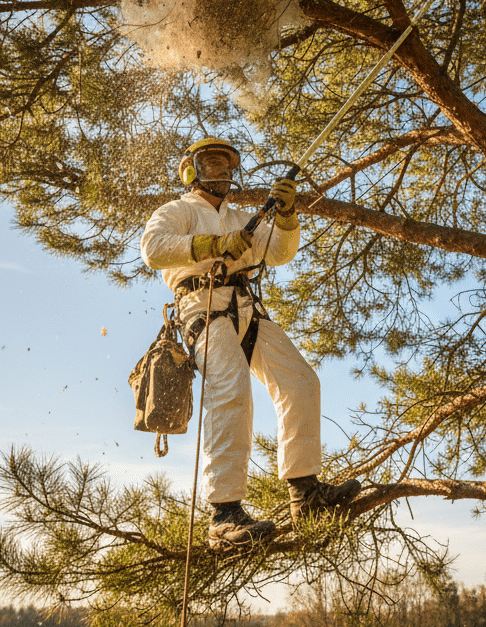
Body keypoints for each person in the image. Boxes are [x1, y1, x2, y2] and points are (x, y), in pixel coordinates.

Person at [140, 137, 361, 547]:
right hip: (202, 305)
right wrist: (214, 245)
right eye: (211, 162)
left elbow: (278, 252)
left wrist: (288, 215)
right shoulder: (177, 211)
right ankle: (224, 513)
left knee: (300, 382)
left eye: (226, 165)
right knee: (232, 389)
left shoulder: (244, 217)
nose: (220, 171)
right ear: (192, 169)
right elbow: (153, 250)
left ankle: (305, 491)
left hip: (246, 307)